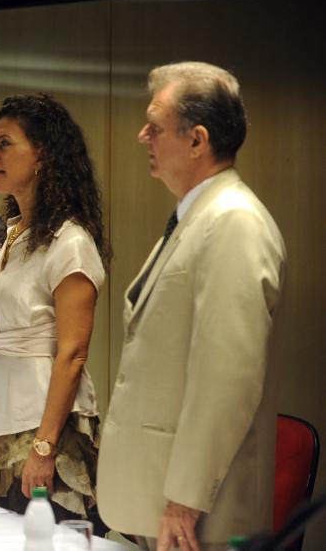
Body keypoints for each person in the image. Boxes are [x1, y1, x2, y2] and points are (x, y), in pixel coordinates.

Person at [97, 62, 286, 551]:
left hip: (197, 512)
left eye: (155, 127)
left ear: (198, 140)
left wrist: (184, 499)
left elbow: (227, 376)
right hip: (160, 500)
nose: (142, 137)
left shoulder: (234, 221)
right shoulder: (197, 217)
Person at [0, 94, 111, 525]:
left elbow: (73, 352)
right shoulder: (12, 236)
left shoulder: (70, 240)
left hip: (45, 427)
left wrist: (45, 447)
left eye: (5, 143)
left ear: (42, 155)